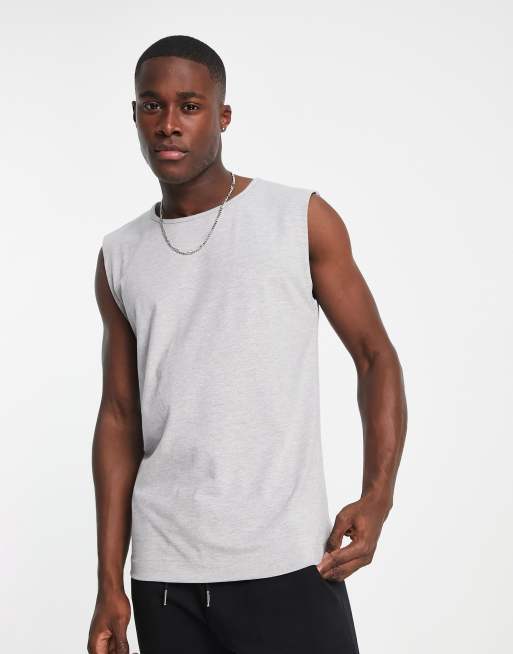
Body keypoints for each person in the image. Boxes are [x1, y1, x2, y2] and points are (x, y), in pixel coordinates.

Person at [87, 34, 407, 654]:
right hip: (165, 578)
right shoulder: (119, 255)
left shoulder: (298, 218)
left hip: (286, 560)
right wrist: (109, 582)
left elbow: (375, 356)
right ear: (135, 115)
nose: (169, 124)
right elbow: (119, 417)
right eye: (152, 106)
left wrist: (379, 495)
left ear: (223, 116)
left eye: (190, 106)